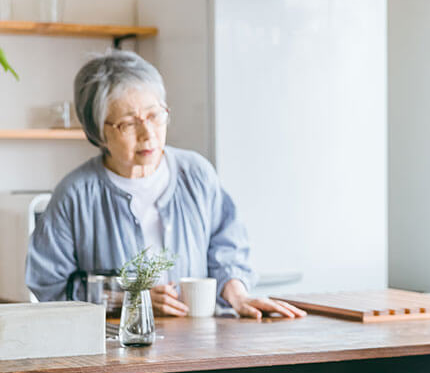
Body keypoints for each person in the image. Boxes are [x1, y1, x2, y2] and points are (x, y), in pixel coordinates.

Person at [26, 50, 305, 320]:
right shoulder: (75, 194)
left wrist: (238, 294)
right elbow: (48, 284)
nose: (148, 134)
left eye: (155, 115)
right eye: (128, 124)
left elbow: (227, 246)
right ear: (99, 132)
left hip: (198, 343)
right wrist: (130, 299)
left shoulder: (195, 173)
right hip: (116, 351)